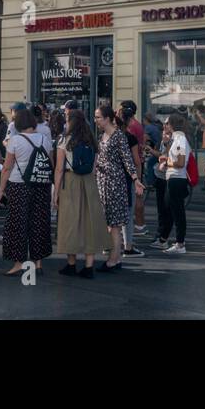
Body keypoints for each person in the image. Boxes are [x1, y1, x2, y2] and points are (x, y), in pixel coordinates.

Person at [53, 108, 109, 277]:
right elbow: (94, 165)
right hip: (89, 182)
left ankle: (71, 264)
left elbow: (59, 169)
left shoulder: (64, 140)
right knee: (89, 224)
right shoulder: (91, 139)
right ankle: (88, 266)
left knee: (69, 223)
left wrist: (56, 192)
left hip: (71, 181)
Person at [0, 107, 53, 276]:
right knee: (39, 221)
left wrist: (1, 189)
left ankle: (19, 263)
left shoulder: (15, 140)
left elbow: (7, 167)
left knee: (17, 223)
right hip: (41, 184)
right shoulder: (44, 139)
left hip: (19, 184)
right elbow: (50, 162)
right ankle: (38, 263)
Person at [93, 105, 143, 272]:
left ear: (107, 118)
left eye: (98, 117)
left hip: (114, 183)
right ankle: (115, 257)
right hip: (104, 182)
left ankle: (113, 260)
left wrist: (136, 179)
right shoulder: (103, 136)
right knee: (110, 224)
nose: (96, 120)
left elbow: (128, 160)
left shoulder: (119, 136)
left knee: (113, 224)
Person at [153, 113, 192, 253]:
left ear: (173, 125)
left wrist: (167, 162)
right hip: (174, 178)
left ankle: (180, 243)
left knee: (177, 212)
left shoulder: (180, 139)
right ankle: (169, 240)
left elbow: (181, 163)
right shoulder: (177, 139)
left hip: (177, 179)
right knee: (171, 210)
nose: (164, 126)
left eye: (167, 123)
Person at [117, 100, 146, 256]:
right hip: (127, 176)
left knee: (113, 212)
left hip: (115, 177)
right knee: (127, 211)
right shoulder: (131, 133)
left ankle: (112, 245)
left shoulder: (111, 135)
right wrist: (138, 179)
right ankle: (127, 246)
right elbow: (136, 161)